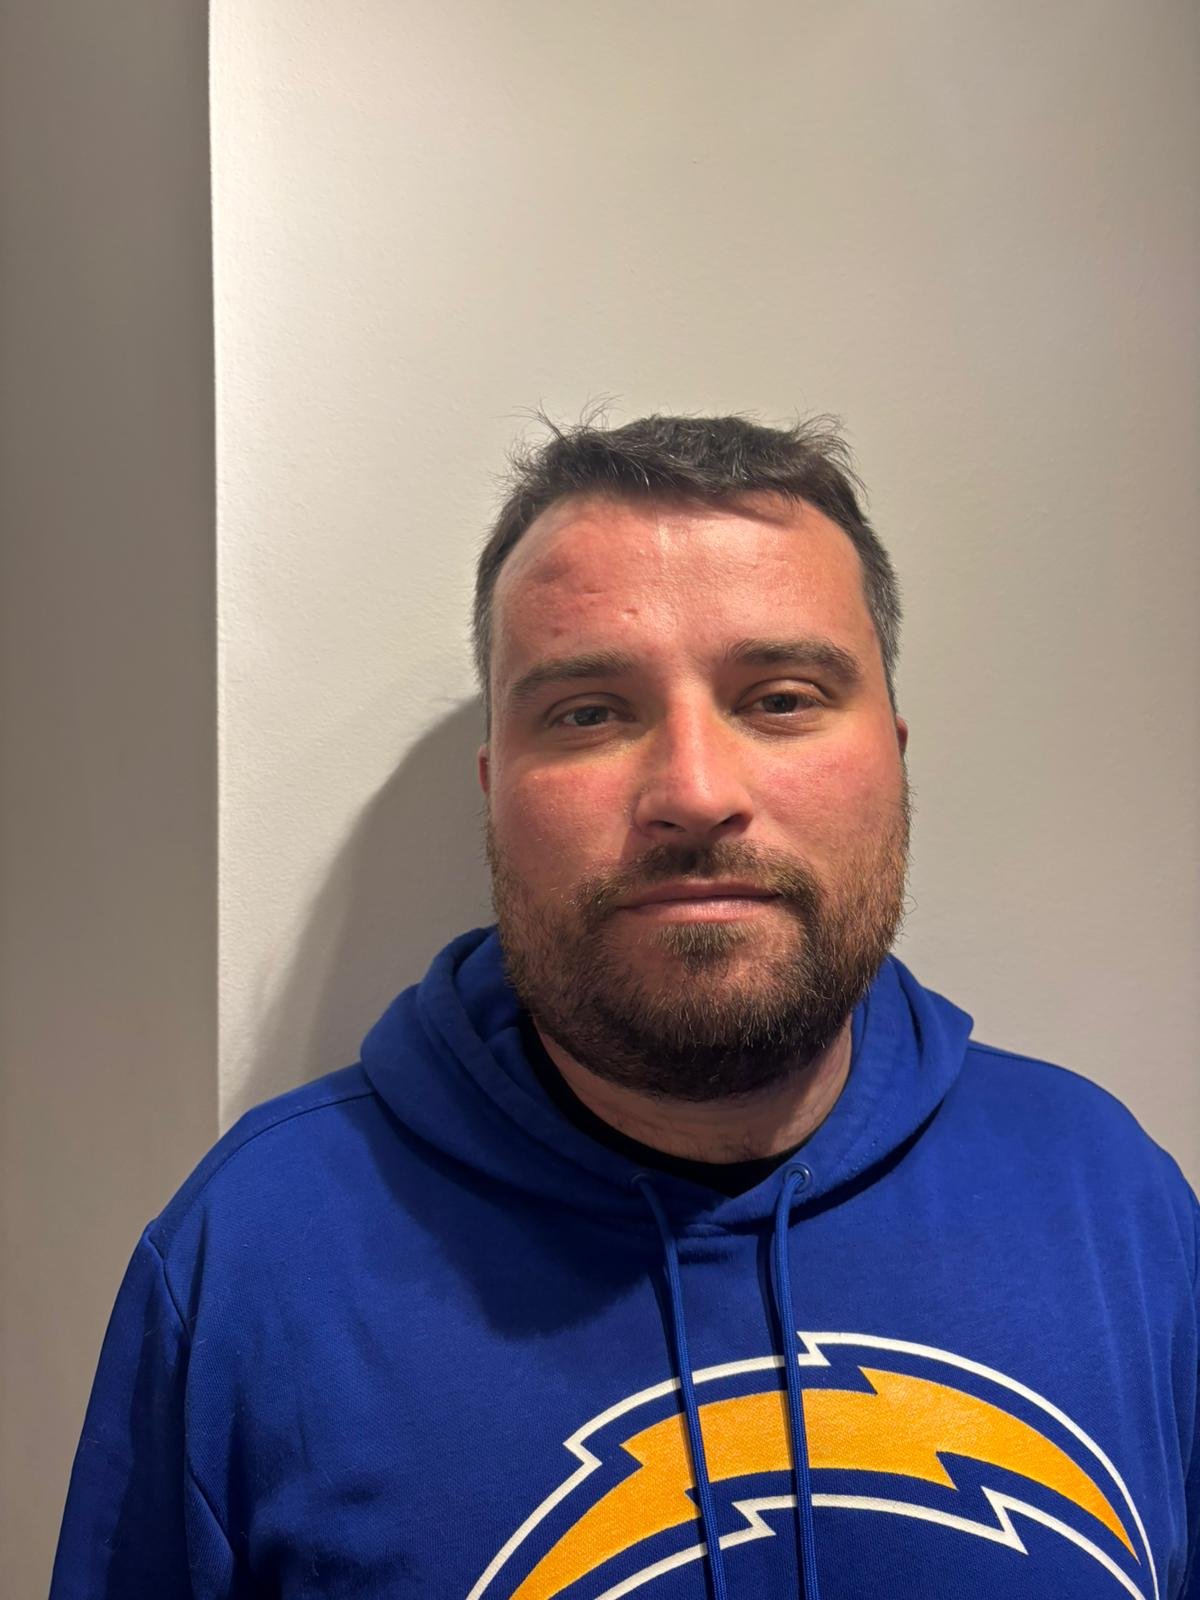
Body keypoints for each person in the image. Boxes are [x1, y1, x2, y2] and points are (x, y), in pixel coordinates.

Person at [52, 414, 1198, 1599]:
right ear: (495, 790)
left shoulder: (1114, 1204)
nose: (694, 792)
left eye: (782, 697)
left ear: (893, 757)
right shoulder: (252, 1258)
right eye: (590, 712)